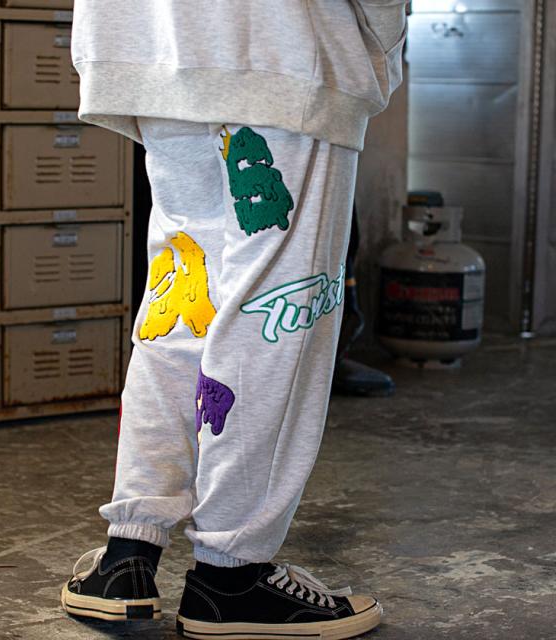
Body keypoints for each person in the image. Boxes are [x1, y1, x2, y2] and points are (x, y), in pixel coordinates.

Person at [61, 1, 408, 638]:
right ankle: (231, 575)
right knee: (275, 316)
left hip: (152, 45)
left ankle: (128, 553)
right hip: (280, 45)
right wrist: (379, 43)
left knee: (182, 301)